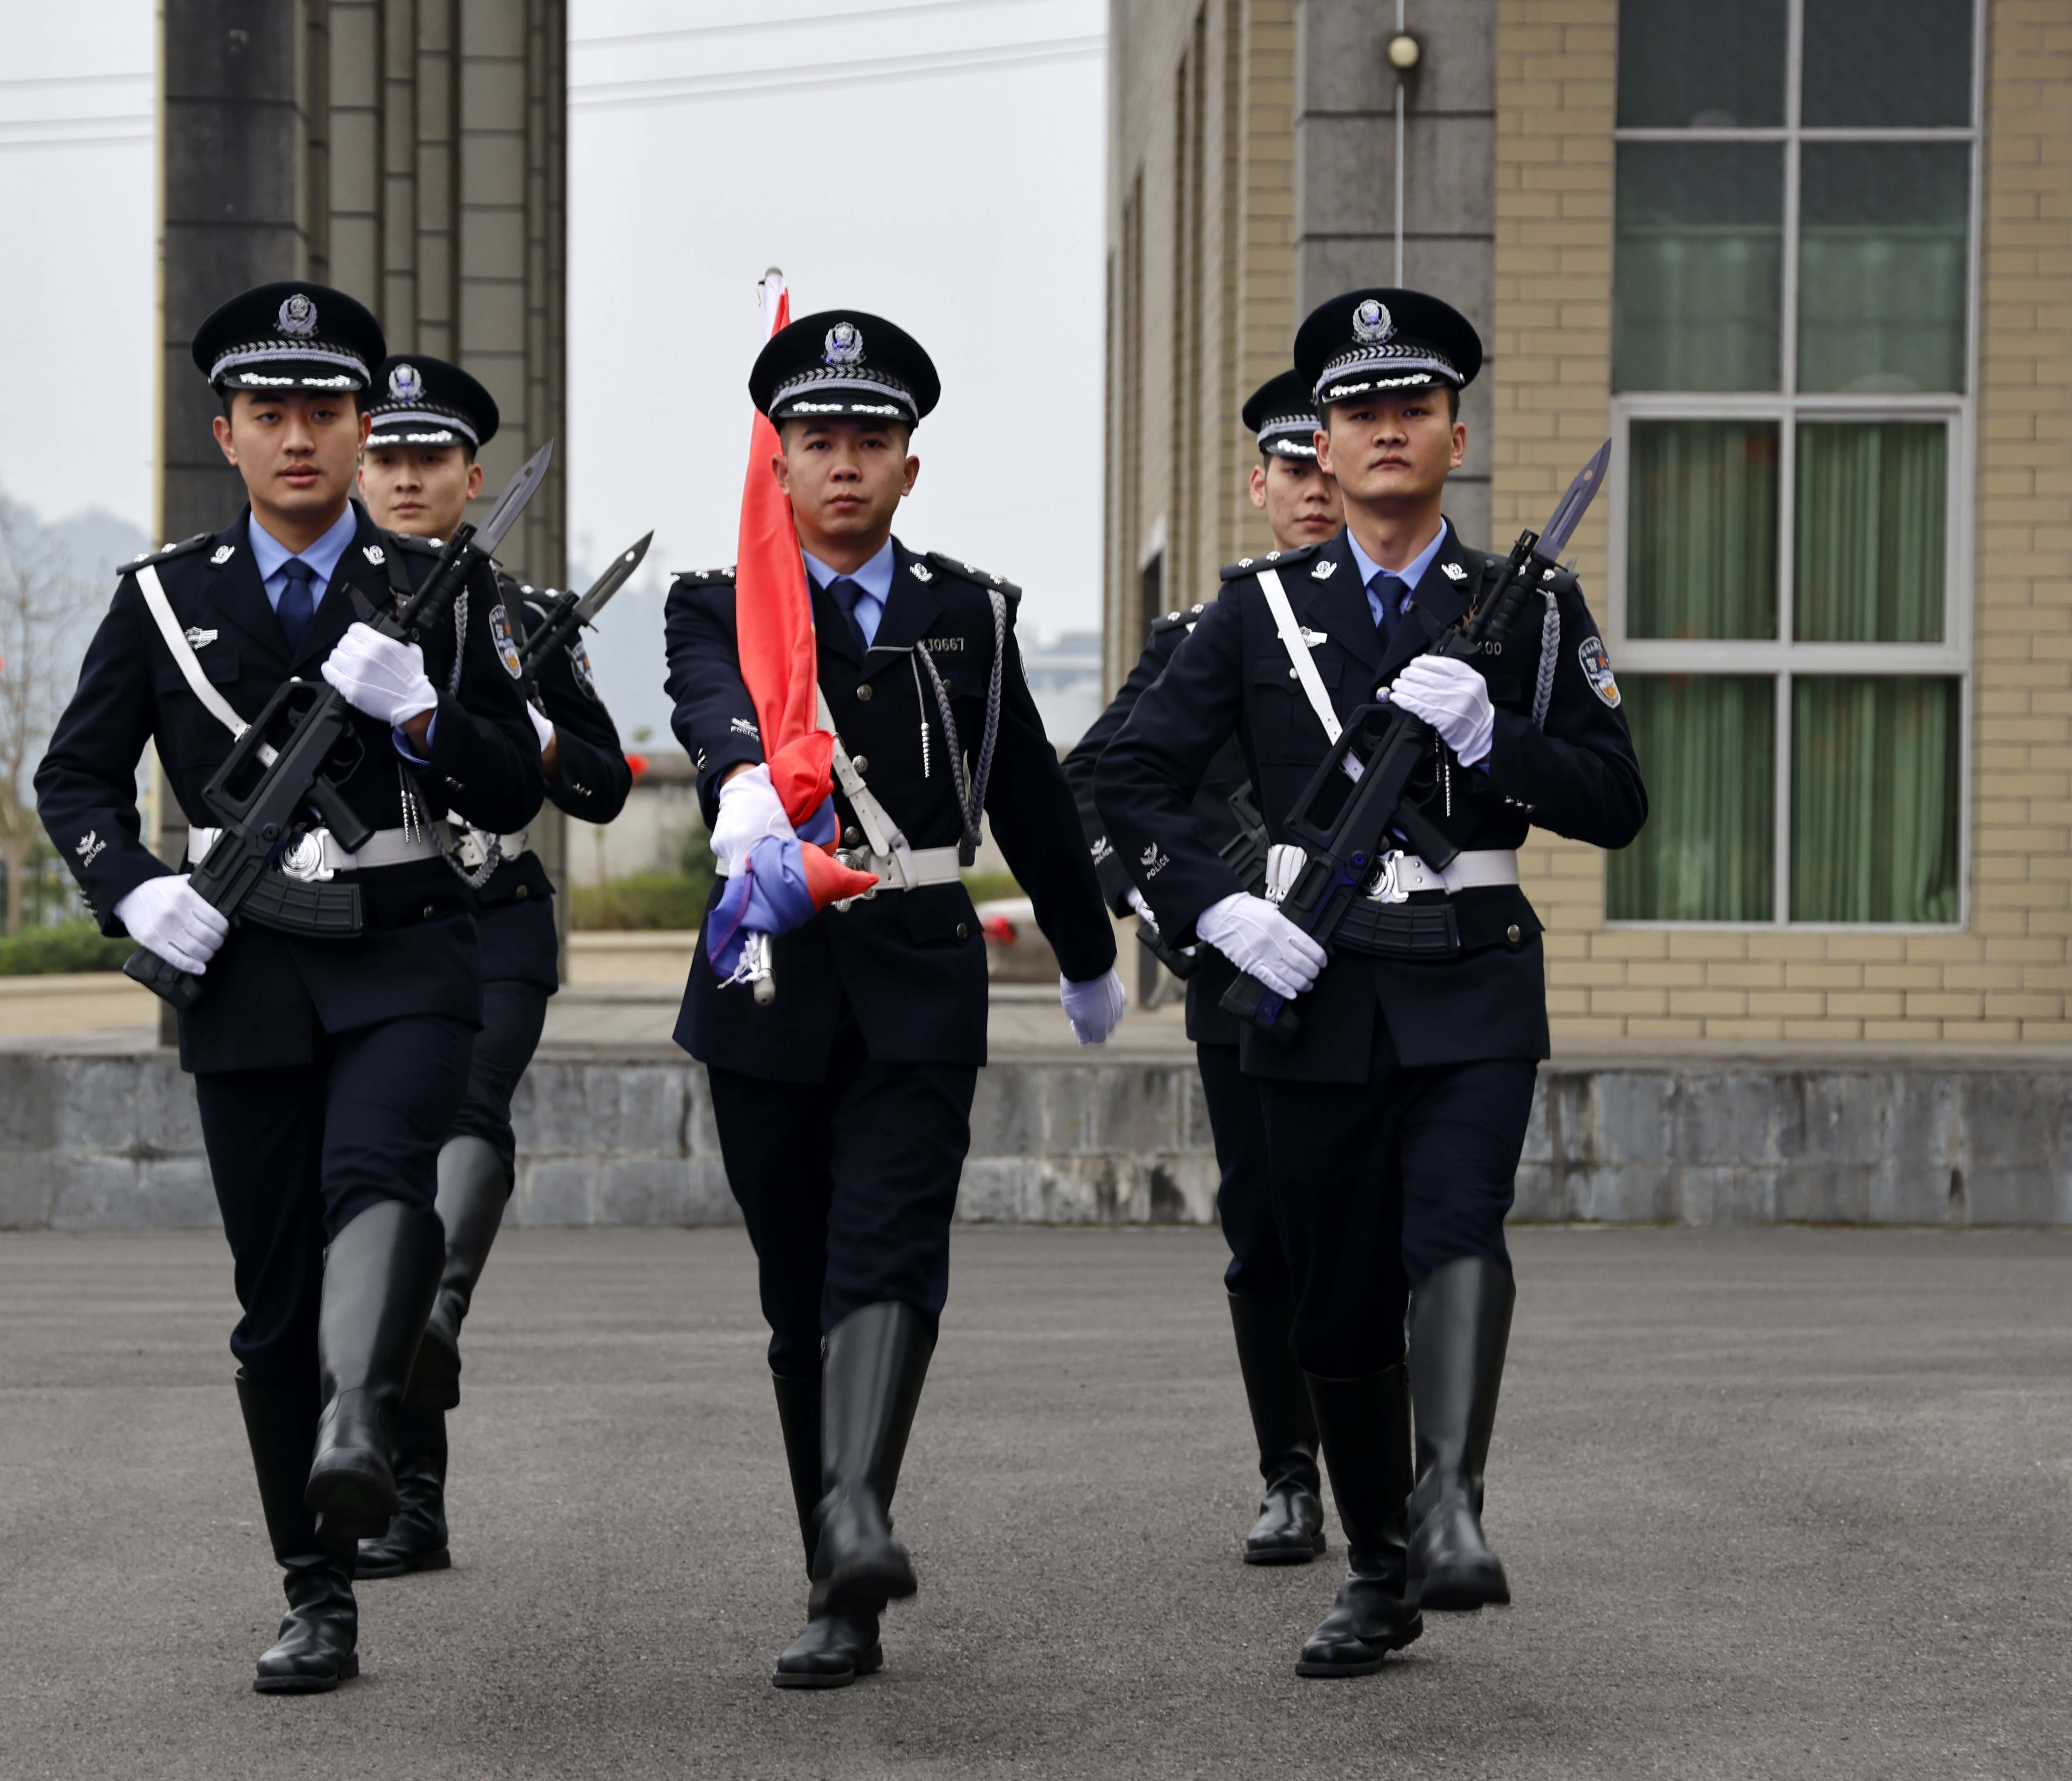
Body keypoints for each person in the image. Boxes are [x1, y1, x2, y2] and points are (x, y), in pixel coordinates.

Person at [1093, 289, 1645, 1678]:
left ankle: (1451, 1502)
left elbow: (1618, 799)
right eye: (1357, 411)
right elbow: (1126, 785)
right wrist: (1217, 910)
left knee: (1455, 1229)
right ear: (1320, 452)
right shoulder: (1255, 614)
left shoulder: (1529, 608)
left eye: (1414, 405)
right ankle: (1382, 1562)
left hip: (1470, 982)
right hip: (1315, 989)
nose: (1387, 428)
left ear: (1457, 432)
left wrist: (1502, 736)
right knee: (1334, 1297)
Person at [35, 281, 546, 1693]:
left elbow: (519, 779)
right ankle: (316, 1588)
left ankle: (366, 1414)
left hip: (405, 944)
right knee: (270, 1305)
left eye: (328, 411)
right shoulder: (160, 598)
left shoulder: (442, 588)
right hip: (246, 966)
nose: (304, 439)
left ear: (363, 423)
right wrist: (134, 888)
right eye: (274, 414)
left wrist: (428, 713)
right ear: (228, 433)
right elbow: (73, 778)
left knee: (381, 1177)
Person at [663, 308, 1125, 1689]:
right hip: (765, 967)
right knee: (798, 1292)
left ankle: (851, 1542)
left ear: (910, 467)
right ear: (781, 464)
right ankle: (838, 1538)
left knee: (889, 1250)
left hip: (917, 964)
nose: (847, 465)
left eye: (873, 441)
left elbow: (1031, 788)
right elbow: (707, 704)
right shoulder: (719, 600)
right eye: (820, 443)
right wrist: (744, 780)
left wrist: (1089, 949)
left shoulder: (968, 612)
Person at [347, 355, 633, 1581]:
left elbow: (607, 783)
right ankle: (415, 1493)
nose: (409, 478)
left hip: (493, 907)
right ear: (362, 470)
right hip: (362, 916)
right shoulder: (312, 607)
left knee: (467, 1110)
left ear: (474, 477)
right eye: (389, 458)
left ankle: (438, 1310)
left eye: (433, 460)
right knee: (374, 1184)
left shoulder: (521, 618)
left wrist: (537, 727)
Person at [1061, 368, 1345, 1571]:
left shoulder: (1429, 616)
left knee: (1383, 1228)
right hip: (1243, 988)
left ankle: (1410, 1473)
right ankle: (1290, 1474)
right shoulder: (1206, 632)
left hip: (1392, 964)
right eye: (1294, 471)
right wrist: (1177, 905)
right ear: (1261, 484)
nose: (1316, 491)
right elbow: (1094, 784)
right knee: (1267, 1228)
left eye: (1330, 467)